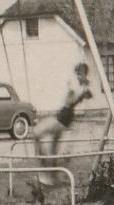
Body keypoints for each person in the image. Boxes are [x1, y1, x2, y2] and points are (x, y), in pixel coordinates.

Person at [31, 61, 93, 195]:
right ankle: (51, 178)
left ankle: (44, 169)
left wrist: (75, 92)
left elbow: (70, 101)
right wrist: (82, 92)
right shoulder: (82, 85)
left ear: (83, 73)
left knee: (36, 133)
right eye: (77, 72)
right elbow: (87, 94)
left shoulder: (77, 86)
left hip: (63, 117)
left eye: (79, 73)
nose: (77, 75)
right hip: (65, 117)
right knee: (53, 148)